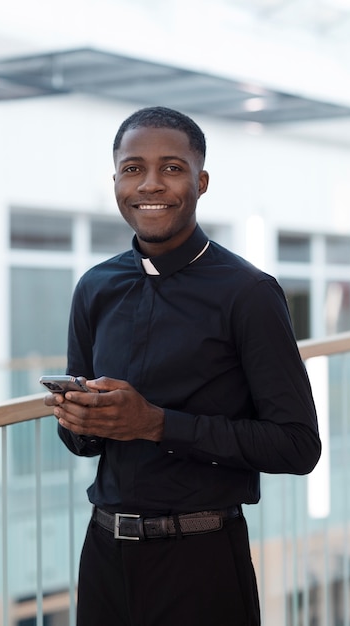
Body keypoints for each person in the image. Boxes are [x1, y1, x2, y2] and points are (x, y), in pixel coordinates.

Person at [44, 106, 321, 626]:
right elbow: (84, 444)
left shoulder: (249, 293)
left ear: (202, 181)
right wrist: (80, 421)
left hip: (201, 562)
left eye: (172, 168)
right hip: (103, 554)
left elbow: (298, 445)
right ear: (116, 181)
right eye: (133, 168)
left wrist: (156, 424)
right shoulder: (94, 287)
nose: (150, 184)